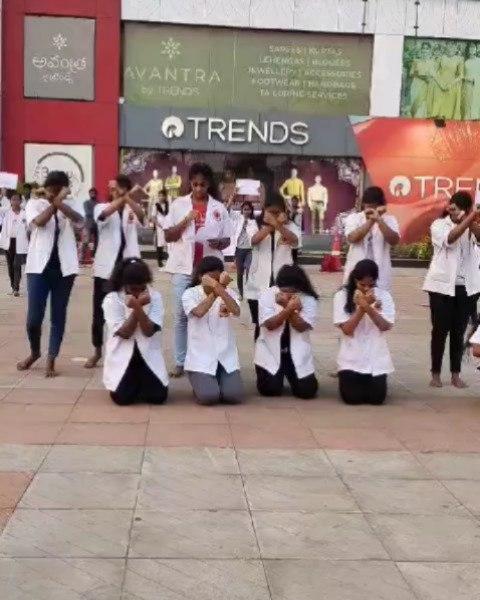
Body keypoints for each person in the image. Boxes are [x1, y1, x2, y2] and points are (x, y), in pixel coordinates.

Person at [164, 162, 232, 378]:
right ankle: (180, 362)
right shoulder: (178, 205)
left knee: (210, 315)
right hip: (183, 269)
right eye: (195, 185)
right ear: (190, 184)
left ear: (209, 184)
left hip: (209, 270)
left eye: (203, 185)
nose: (199, 189)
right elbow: (168, 236)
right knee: (181, 317)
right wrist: (186, 220)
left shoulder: (219, 208)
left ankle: (207, 359)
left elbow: (227, 238)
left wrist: (218, 243)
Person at [17, 171, 84, 377]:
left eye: (60, 190)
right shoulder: (34, 203)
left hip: (65, 270)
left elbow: (79, 221)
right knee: (33, 319)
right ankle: (35, 352)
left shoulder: (71, 202)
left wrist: (61, 201)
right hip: (39, 268)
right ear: (47, 188)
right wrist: (55, 202)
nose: (56, 193)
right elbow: (39, 222)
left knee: (58, 315)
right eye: (53, 190)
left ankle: (51, 359)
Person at [85, 175, 145, 369]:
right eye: (112, 189)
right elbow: (103, 216)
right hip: (105, 270)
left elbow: (142, 217)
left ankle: (127, 351)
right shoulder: (101, 207)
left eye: (117, 189)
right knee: (98, 314)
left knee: (128, 310)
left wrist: (128, 199)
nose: (113, 192)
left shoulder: (130, 209)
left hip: (127, 270)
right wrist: (124, 197)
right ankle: (96, 350)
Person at [423, 191, 480, 388]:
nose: (455, 213)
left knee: (459, 331)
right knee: (440, 331)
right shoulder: (439, 225)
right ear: (450, 207)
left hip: (466, 287)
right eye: (453, 208)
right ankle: (436, 373)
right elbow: (451, 238)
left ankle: (455, 374)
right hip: (441, 288)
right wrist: (468, 219)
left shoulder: (471, 225)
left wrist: (472, 220)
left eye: (460, 210)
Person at [102, 258, 168, 406]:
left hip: (147, 355)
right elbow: (125, 333)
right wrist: (137, 308)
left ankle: (141, 381)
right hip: (122, 355)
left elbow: (149, 331)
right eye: (133, 289)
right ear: (124, 285)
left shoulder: (155, 297)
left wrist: (136, 306)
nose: (138, 292)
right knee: (123, 399)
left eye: (142, 288)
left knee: (159, 398)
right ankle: (133, 382)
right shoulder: (112, 299)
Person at [182, 256, 243, 405]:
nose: (215, 283)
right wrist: (216, 290)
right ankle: (198, 381)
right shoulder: (190, 294)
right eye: (211, 279)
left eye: (218, 278)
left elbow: (236, 311)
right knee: (209, 397)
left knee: (233, 396)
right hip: (200, 358)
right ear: (200, 276)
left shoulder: (229, 293)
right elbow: (199, 312)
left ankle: (217, 380)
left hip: (225, 355)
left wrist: (221, 290)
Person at [334, 259, 395, 405]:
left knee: (376, 399)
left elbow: (384, 326)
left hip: (376, 360)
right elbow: (348, 330)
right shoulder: (341, 296)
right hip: (351, 360)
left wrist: (368, 307)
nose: (366, 288)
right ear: (355, 280)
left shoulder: (384, 296)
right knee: (352, 398)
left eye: (371, 285)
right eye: (362, 285)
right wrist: (361, 308)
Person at [255, 264, 318, 399]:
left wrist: (287, 308)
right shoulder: (267, 294)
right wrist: (289, 308)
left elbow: (301, 327)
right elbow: (270, 325)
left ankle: (292, 374)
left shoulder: (308, 299)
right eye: (283, 291)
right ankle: (273, 375)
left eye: (291, 292)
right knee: (270, 390)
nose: (287, 294)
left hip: (296, 351)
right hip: (270, 350)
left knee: (307, 391)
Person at [245, 193, 299, 339]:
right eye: (271, 212)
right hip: (258, 283)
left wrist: (279, 226)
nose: (275, 215)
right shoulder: (254, 224)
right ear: (264, 209)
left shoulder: (291, 226)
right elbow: (254, 240)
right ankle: (260, 359)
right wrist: (272, 225)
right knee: (260, 324)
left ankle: (279, 357)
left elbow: (295, 242)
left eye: (277, 212)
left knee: (282, 322)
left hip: (282, 283)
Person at [343, 186, 400, 291]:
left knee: (379, 304)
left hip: (380, 274)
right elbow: (352, 238)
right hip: (356, 272)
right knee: (354, 303)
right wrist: (371, 221)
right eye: (369, 206)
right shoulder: (354, 218)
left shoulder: (389, 220)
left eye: (375, 207)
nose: (371, 210)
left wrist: (379, 220)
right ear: (364, 204)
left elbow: (394, 240)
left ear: (381, 206)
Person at [0, 191, 29, 296]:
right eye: (13, 199)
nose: (15, 201)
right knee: (10, 265)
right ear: (10, 201)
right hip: (9, 242)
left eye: (17, 199)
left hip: (20, 242)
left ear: (21, 201)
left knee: (16, 264)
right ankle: (13, 287)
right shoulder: (6, 212)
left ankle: (16, 288)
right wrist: (2, 195)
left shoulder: (25, 213)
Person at [229, 200, 257, 300]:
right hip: (239, 250)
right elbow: (229, 211)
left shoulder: (254, 222)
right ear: (242, 210)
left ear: (251, 210)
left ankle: (249, 291)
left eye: (248, 209)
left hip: (250, 250)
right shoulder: (238, 218)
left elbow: (256, 235)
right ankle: (241, 293)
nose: (246, 211)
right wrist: (230, 201)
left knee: (250, 271)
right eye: (245, 209)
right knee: (240, 273)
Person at [408, 42, 436, 118]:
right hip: (416, 86)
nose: (425, 51)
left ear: (430, 51)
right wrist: (421, 76)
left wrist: (429, 79)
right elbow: (411, 74)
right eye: (423, 48)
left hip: (427, 86)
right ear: (421, 50)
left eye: (427, 49)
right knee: (416, 108)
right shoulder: (416, 61)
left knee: (424, 107)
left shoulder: (432, 62)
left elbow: (434, 76)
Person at [153, 189, 169, 270]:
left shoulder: (168, 205)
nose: (161, 197)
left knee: (168, 244)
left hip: (167, 227)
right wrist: (159, 225)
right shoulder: (156, 205)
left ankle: (168, 261)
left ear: (165, 196)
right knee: (160, 245)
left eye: (162, 195)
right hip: (159, 228)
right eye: (159, 196)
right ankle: (160, 263)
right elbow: (153, 217)